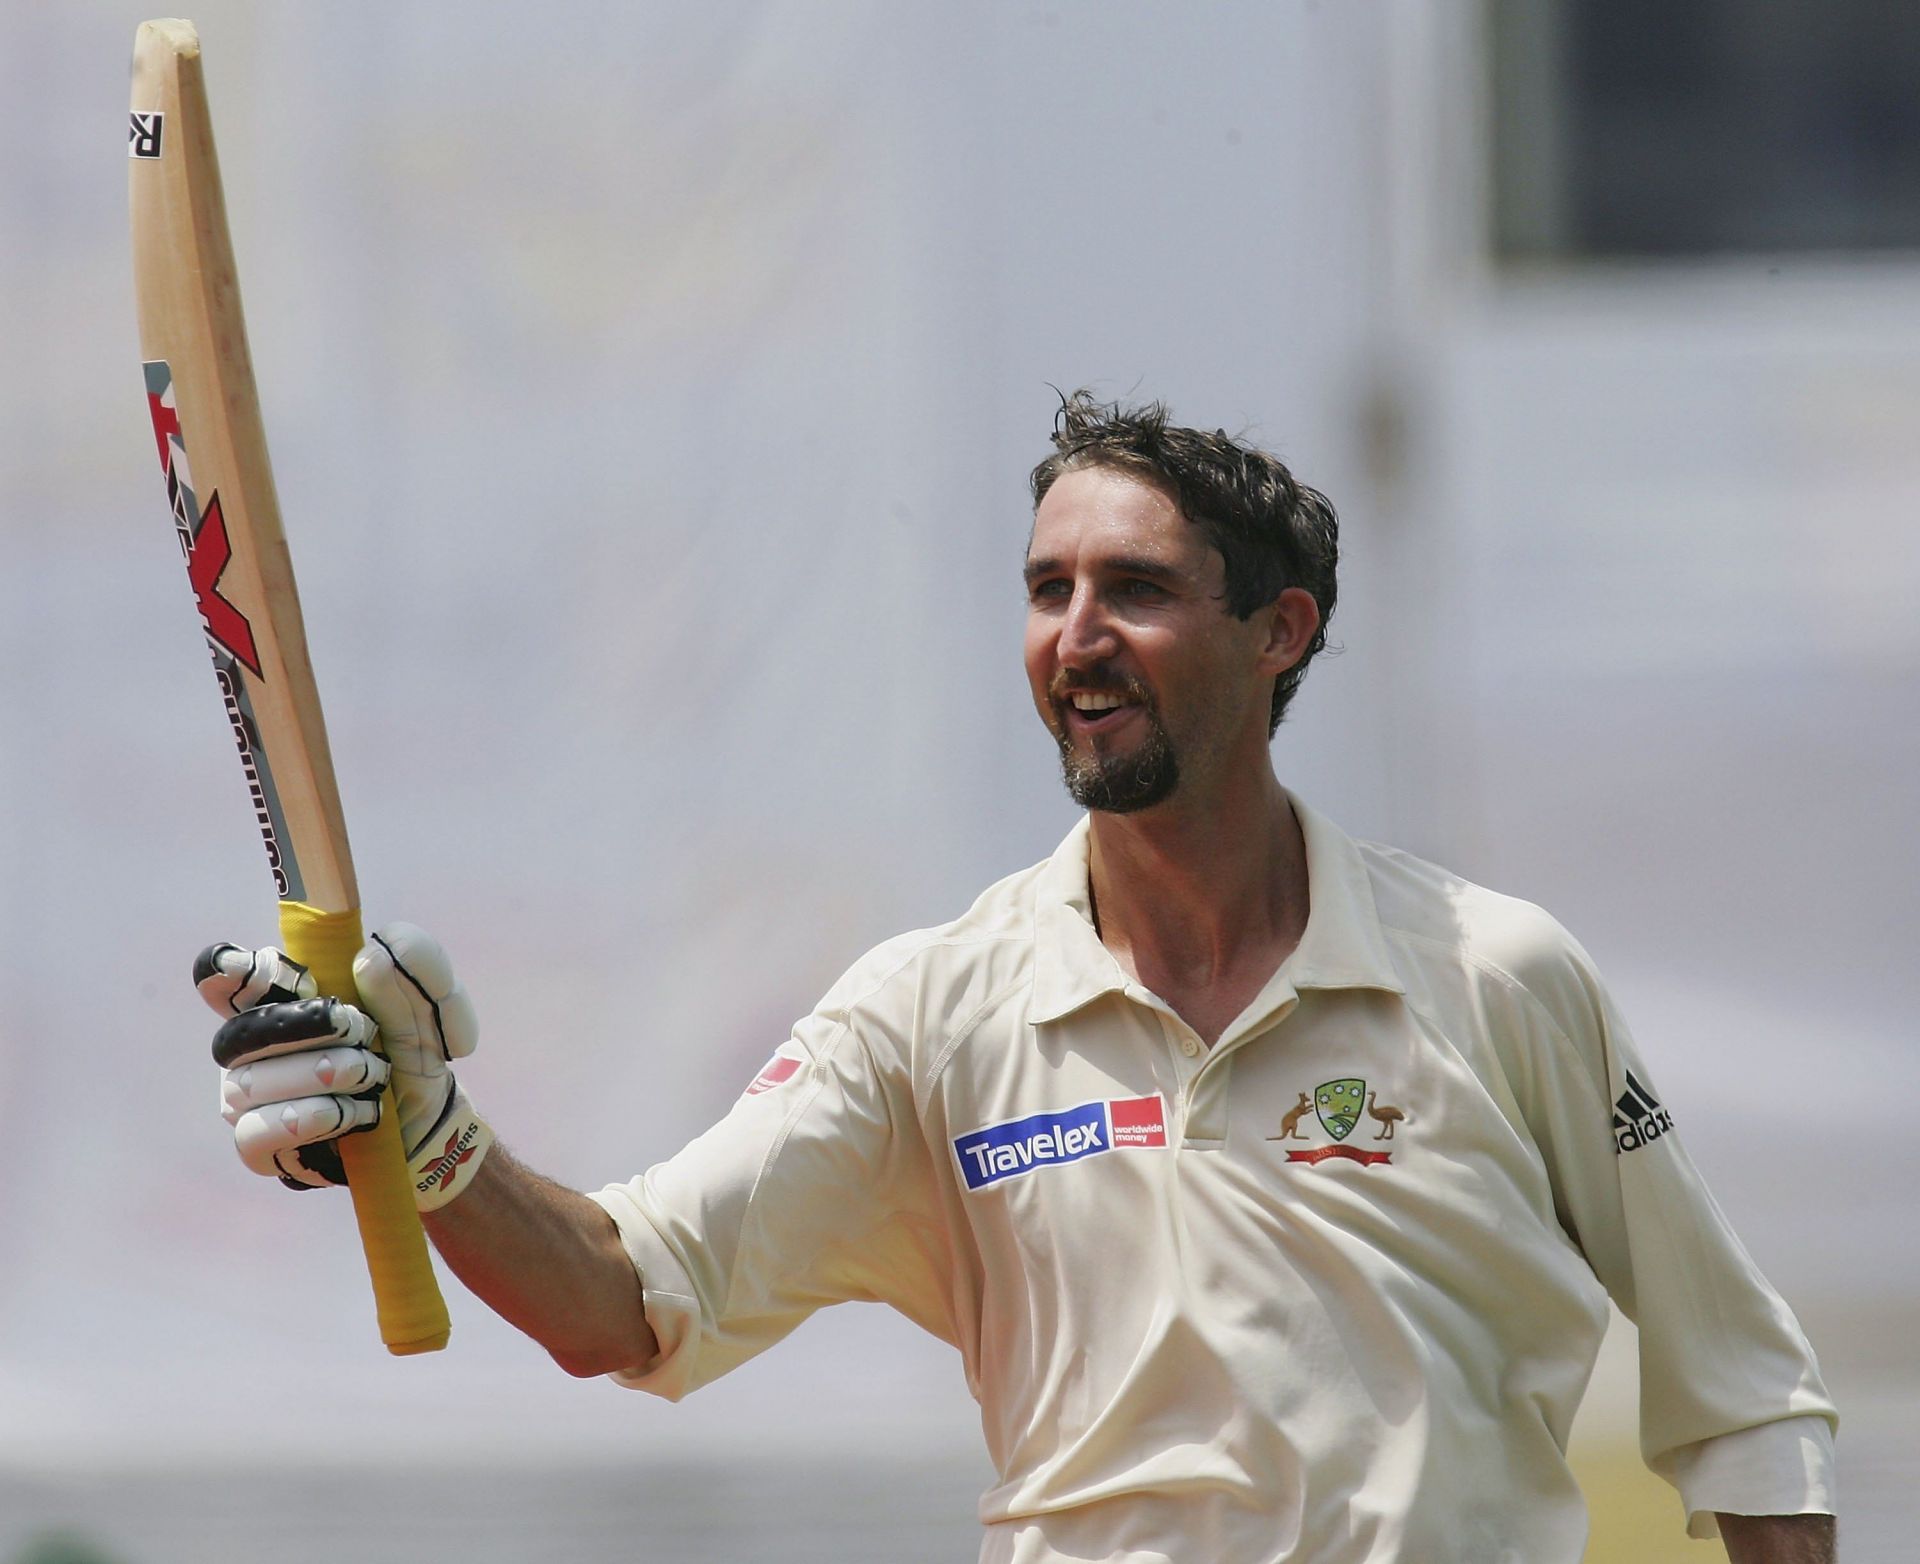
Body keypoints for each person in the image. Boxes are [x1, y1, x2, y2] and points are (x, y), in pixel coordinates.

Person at [200, 393, 1838, 1564]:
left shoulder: (1495, 974)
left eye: (1133, 589)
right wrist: (424, 1145)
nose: (1075, 634)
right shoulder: (933, 1013)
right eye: (1047, 590)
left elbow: (1747, 1398)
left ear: (1280, 632)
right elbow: (629, 1302)